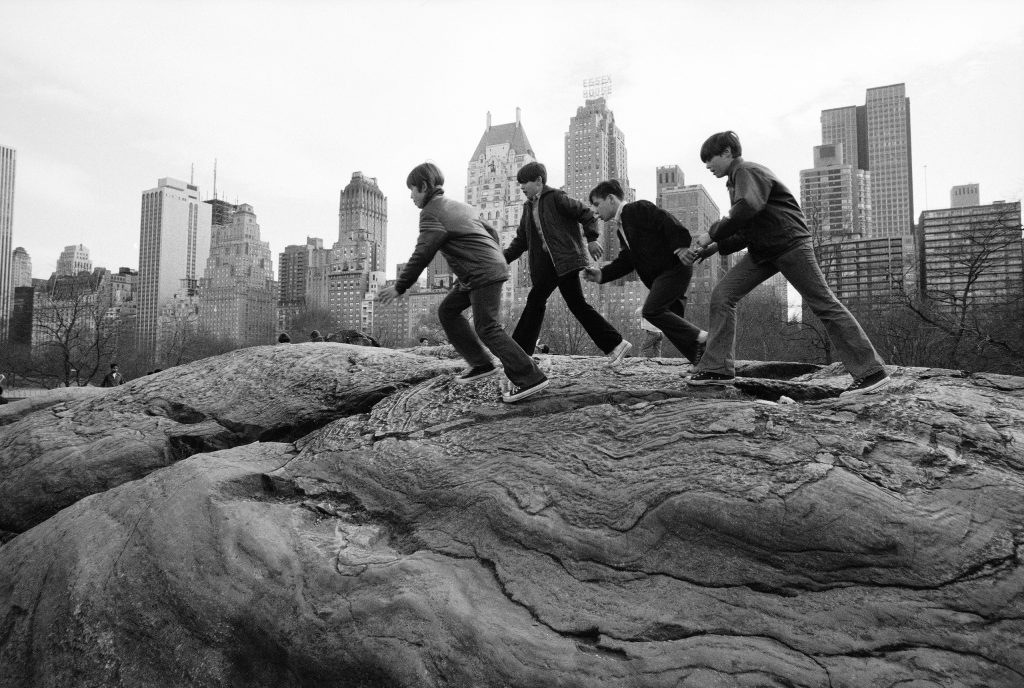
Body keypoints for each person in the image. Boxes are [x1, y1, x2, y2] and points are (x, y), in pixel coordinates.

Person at [686, 131, 890, 396]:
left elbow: (747, 207)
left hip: (790, 245)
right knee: (723, 295)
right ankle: (717, 369)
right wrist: (714, 248)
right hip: (764, 251)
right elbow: (746, 228)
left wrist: (711, 233)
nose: (707, 166)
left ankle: (871, 372)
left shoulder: (747, 171)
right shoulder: (735, 182)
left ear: (727, 153)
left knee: (824, 304)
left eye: (709, 159)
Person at [378, 162, 549, 403]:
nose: (411, 196)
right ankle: (481, 364)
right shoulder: (460, 206)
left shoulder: (432, 212)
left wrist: (400, 285)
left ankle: (530, 376)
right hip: (479, 271)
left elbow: (423, 252)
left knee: (487, 326)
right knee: (447, 310)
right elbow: (491, 232)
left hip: (482, 272)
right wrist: (494, 256)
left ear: (425, 187)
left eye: (413, 190)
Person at [504, 161, 631, 363]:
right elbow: (521, 241)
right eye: (519, 184)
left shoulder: (556, 198)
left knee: (542, 302)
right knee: (566, 304)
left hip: (566, 262)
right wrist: (501, 260)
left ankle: (518, 354)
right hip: (547, 266)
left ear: (538, 181)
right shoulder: (528, 208)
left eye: (524, 183)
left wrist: (591, 239)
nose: (521, 187)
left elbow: (586, 214)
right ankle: (616, 345)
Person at [583, 180, 708, 365]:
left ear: (610, 199)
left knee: (652, 311)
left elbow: (666, 220)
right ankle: (705, 364)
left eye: (596, 204)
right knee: (672, 323)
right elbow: (627, 261)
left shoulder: (637, 209)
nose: (594, 211)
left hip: (674, 269)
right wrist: (602, 274)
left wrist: (681, 245)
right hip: (663, 277)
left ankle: (703, 338)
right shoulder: (622, 228)